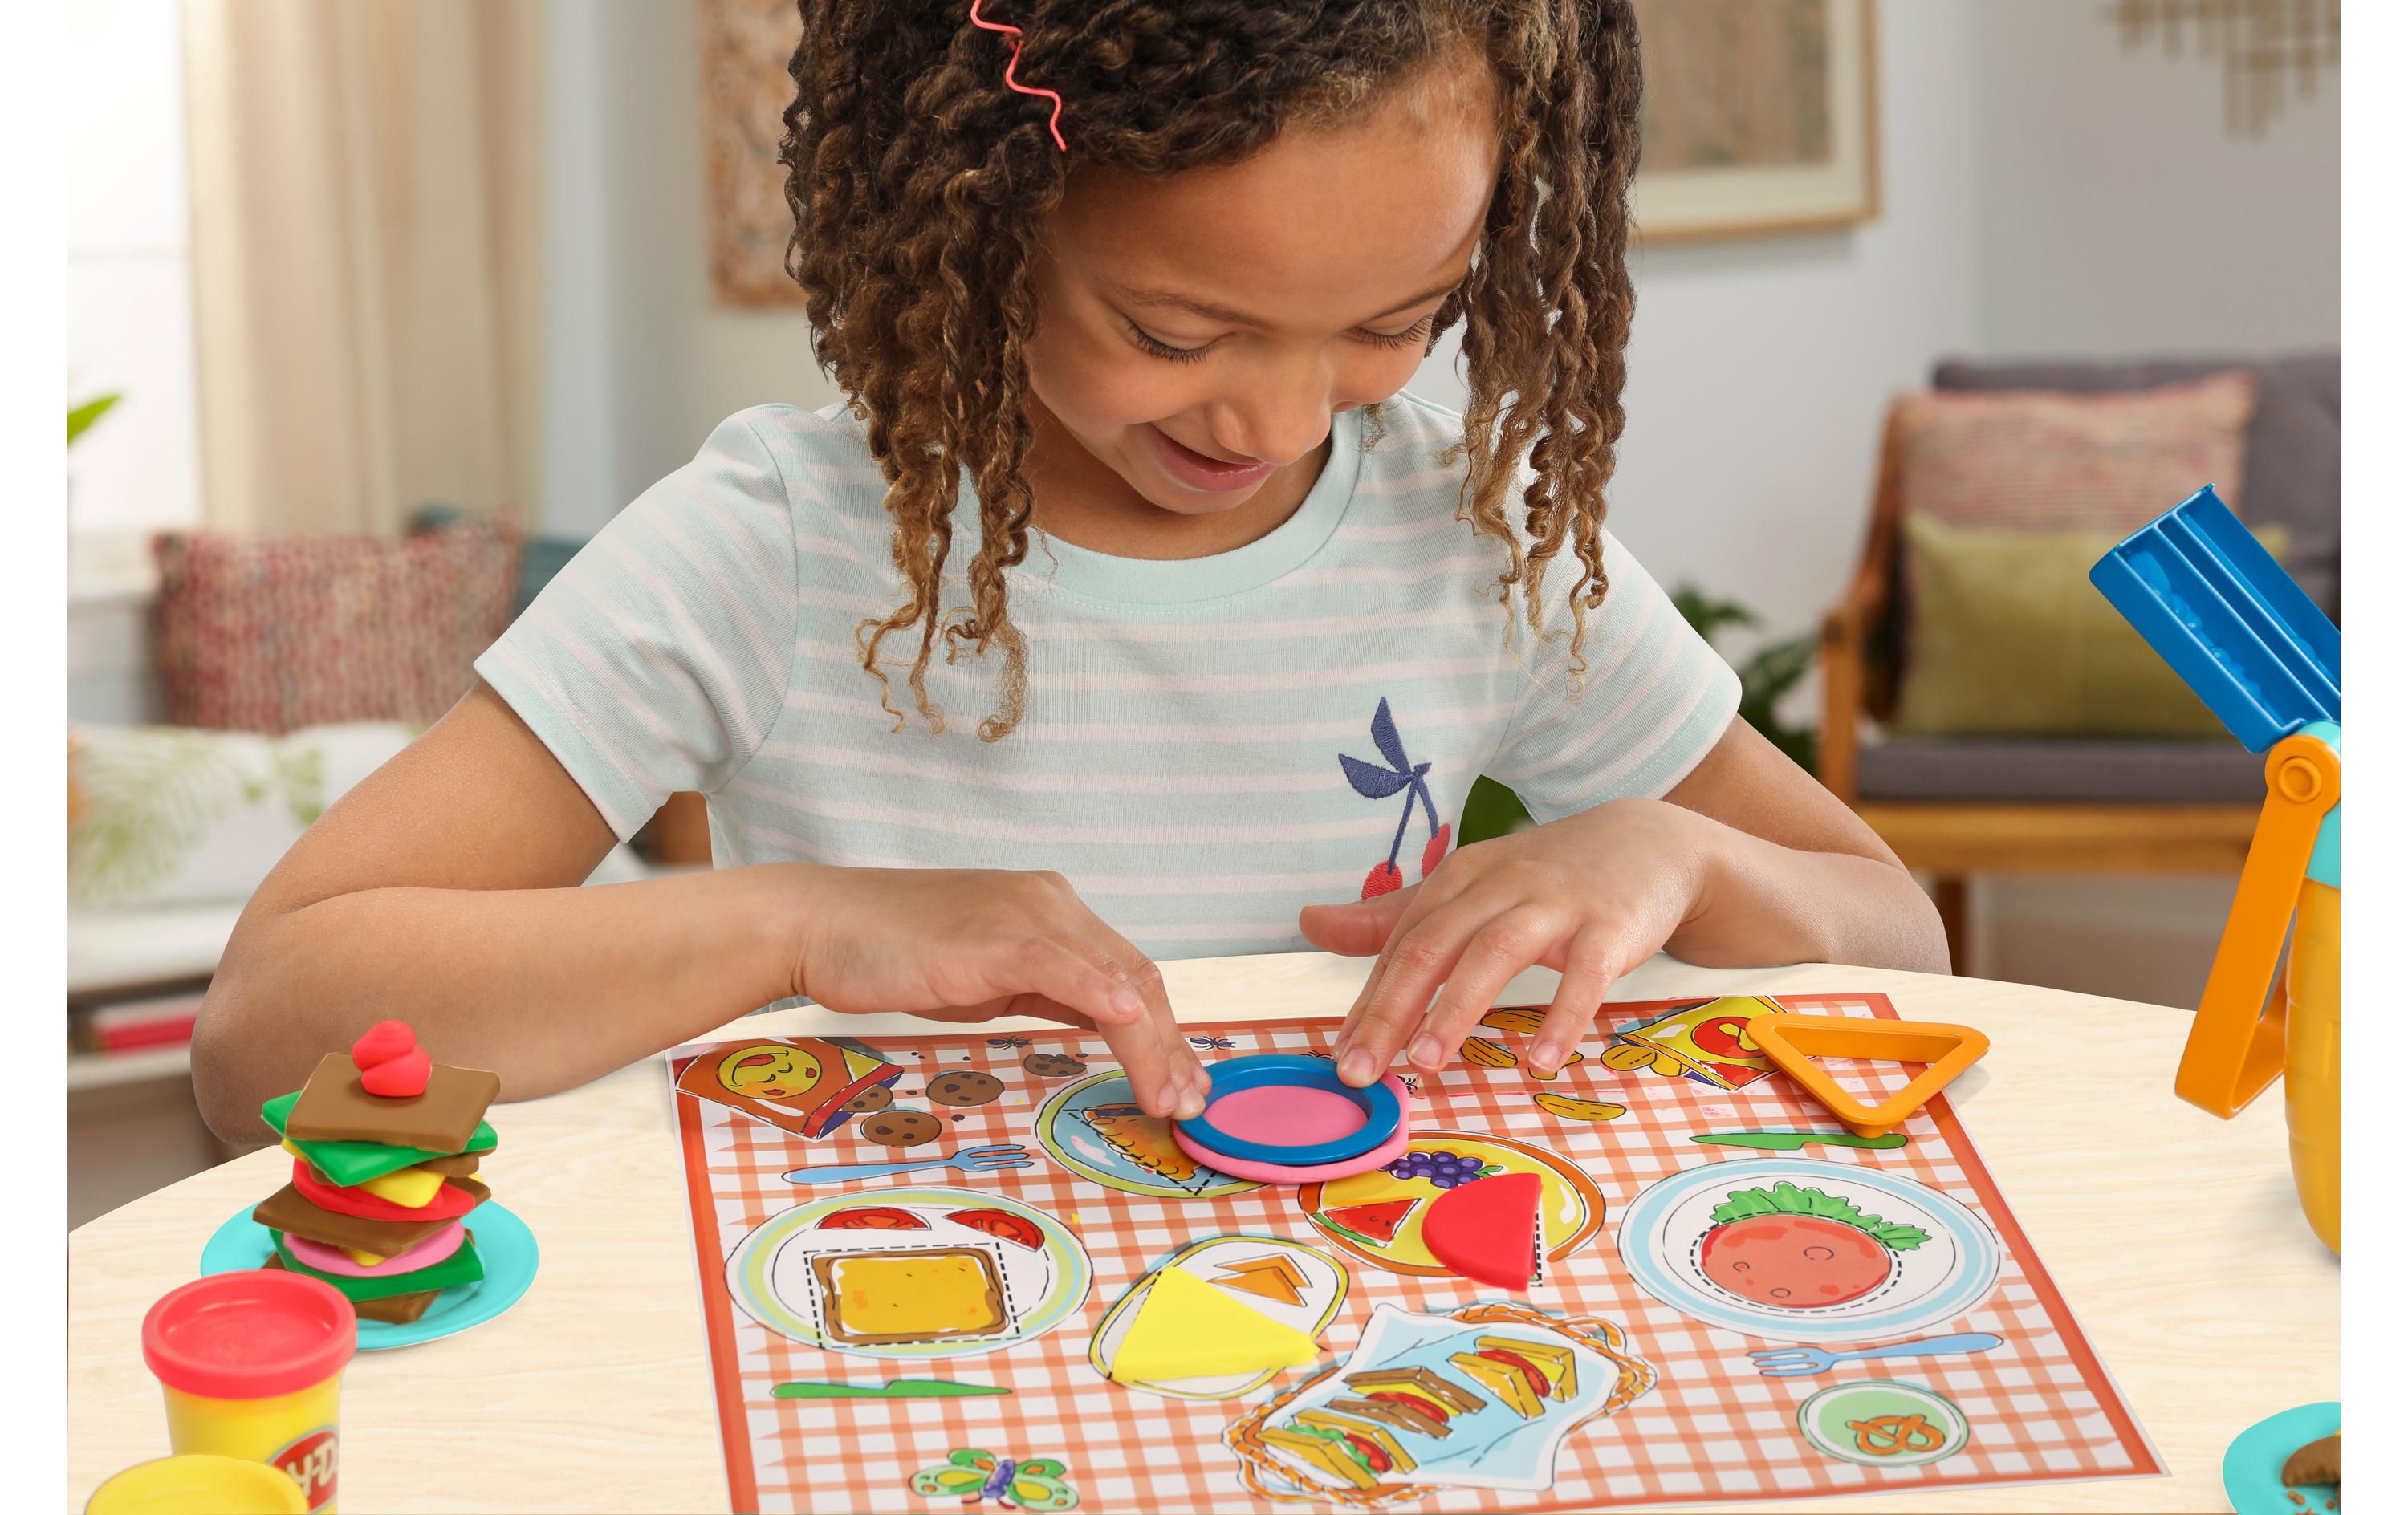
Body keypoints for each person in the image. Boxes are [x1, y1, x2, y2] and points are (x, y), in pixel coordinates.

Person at [192, 0, 1945, 1142]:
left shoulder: (1476, 542)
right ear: (981, 220)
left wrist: (1680, 850)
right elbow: (268, 1030)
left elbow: (1904, 944)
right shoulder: (778, 545)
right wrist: (804, 924)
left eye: (1395, 322)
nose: (1278, 419)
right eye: (1175, 331)